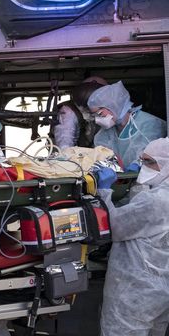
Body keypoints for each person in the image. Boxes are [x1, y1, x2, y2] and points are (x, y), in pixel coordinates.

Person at [94, 137, 169, 335]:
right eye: (142, 160)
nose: (145, 166)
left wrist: (103, 191)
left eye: (150, 162)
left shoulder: (157, 201)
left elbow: (114, 226)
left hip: (135, 290)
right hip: (160, 290)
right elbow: (143, 218)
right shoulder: (159, 193)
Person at [88, 81, 166, 169]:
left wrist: (136, 166)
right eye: (94, 115)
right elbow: (101, 155)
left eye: (99, 113)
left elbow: (152, 156)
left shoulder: (150, 124)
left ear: (113, 106)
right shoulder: (104, 134)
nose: (97, 119)